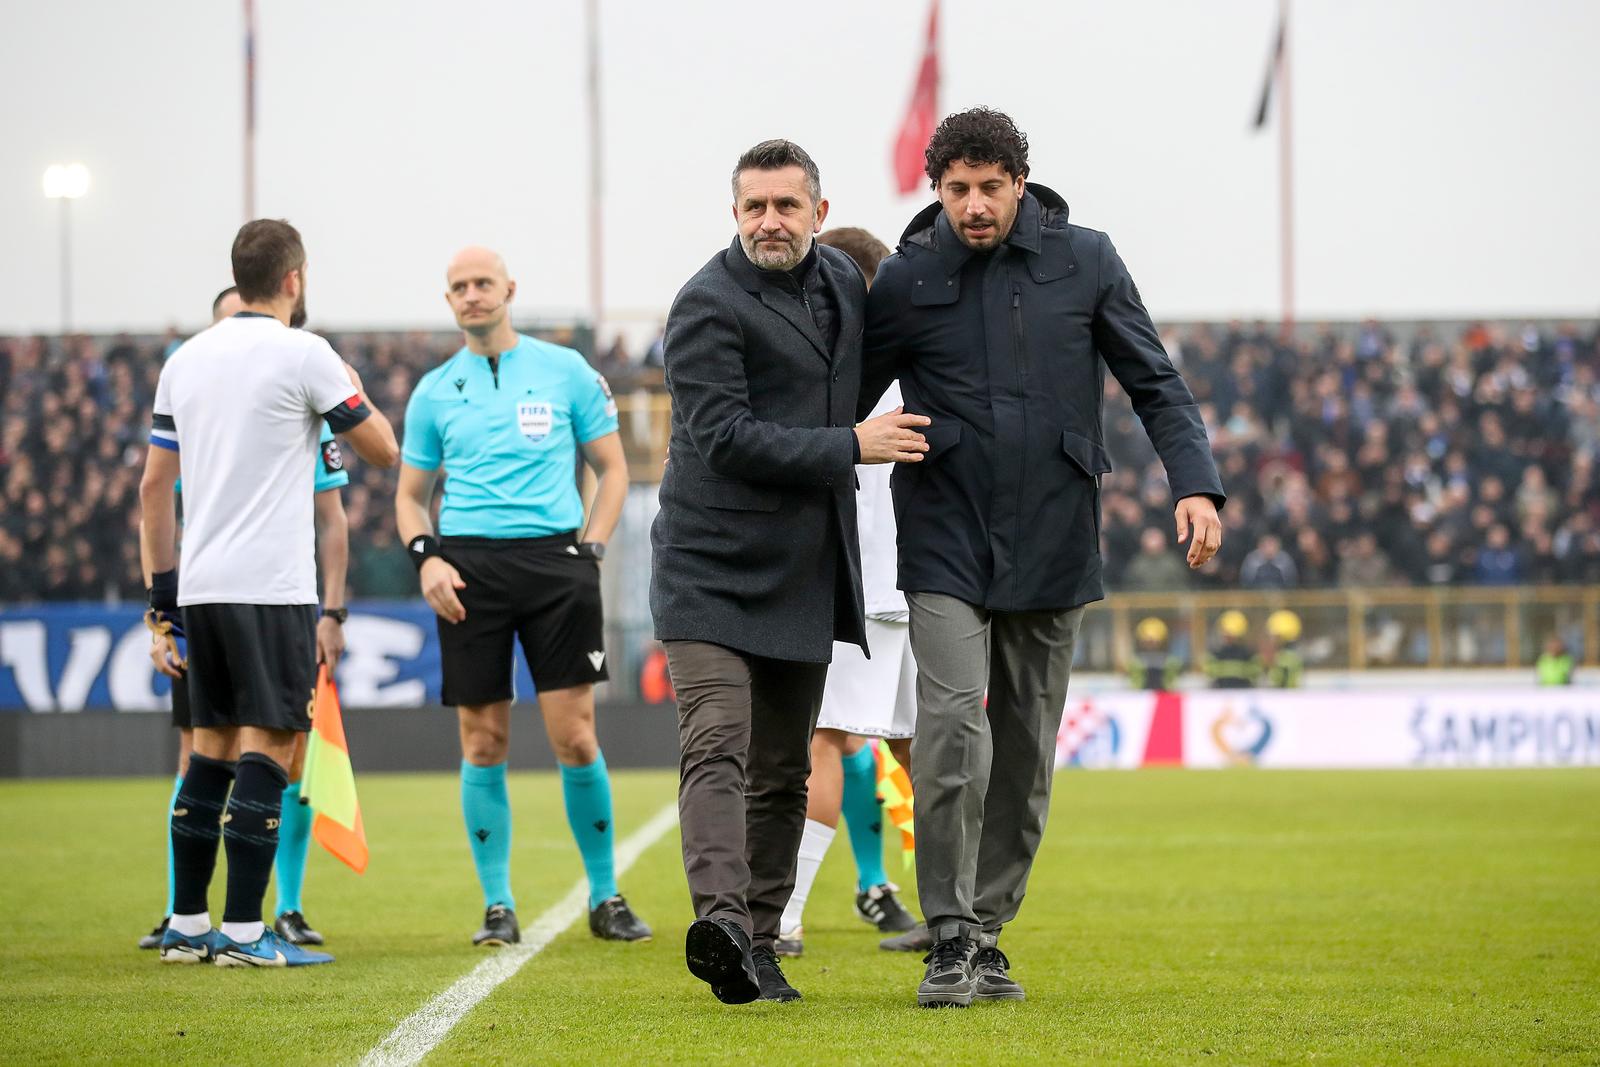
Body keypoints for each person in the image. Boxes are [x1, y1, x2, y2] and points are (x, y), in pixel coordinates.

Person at [859, 108, 1224, 1007]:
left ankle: (987, 931)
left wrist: (1197, 483)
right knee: (952, 724)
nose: (974, 206)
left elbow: (1154, 380)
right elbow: (843, 398)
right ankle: (946, 934)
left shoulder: (1087, 259)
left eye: (990, 187)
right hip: (944, 532)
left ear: (1022, 182)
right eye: (957, 190)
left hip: (1056, 532)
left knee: (1025, 746)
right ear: (935, 190)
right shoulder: (905, 279)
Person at [652, 139, 929, 1005]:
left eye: (785, 204)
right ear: (734, 214)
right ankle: (724, 924)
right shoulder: (703, 304)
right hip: (709, 566)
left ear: (818, 208)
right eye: (753, 206)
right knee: (717, 743)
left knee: (783, 766)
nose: (769, 220)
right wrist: (852, 444)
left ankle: (762, 941)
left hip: (806, 564)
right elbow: (725, 437)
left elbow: (868, 371)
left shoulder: (848, 283)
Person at [141, 218, 398, 966]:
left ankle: (187, 927)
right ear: (295, 278)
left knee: (209, 749)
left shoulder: (183, 361)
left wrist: (163, 599)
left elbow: (155, 488)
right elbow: (380, 448)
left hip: (202, 583)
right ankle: (249, 933)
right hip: (272, 585)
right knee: (273, 747)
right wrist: (345, 393)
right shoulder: (306, 353)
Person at [395, 246, 650, 949]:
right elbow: (411, 498)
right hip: (468, 570)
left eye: (483, 283)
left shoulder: (565, 370)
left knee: (575, 736)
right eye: (458, 287)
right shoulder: (434, 390)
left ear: (510, 288)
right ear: (448, 301)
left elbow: (613, 467)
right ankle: (497, 904)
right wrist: (427, 561)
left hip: (555, 562)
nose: (472, 295)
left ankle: (605, 894)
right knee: (484, 740)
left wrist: (590, 548)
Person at [773, 227, 918, 960]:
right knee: (930, 748)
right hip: (925, 576)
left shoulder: (839, 366)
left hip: (860, 579)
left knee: (824, 740)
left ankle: (786, 915)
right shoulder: (919, 363)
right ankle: (967, 917)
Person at [1206, 611, 1261, 689]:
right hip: (1222, 694)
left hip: (1243, 693)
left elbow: (1255, 673)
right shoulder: (1218, 653)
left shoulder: (1247, 653)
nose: (1227, 636)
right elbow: (1210, 672)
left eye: (1229, 634)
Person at [1127, 616, 1183, 691]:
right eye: (1148, 642)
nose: (1151, 644)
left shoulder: (1171, 661)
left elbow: (1171, 683)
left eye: (1154, 642)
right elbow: (1135, 684)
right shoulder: (1135, 662)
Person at [1263, 610, 1305, 688]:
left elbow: (1280, 682)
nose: (1272, 639)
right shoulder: (1292, 654)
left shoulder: (1288, 657)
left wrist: (1269, 664)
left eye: (1275, 635)